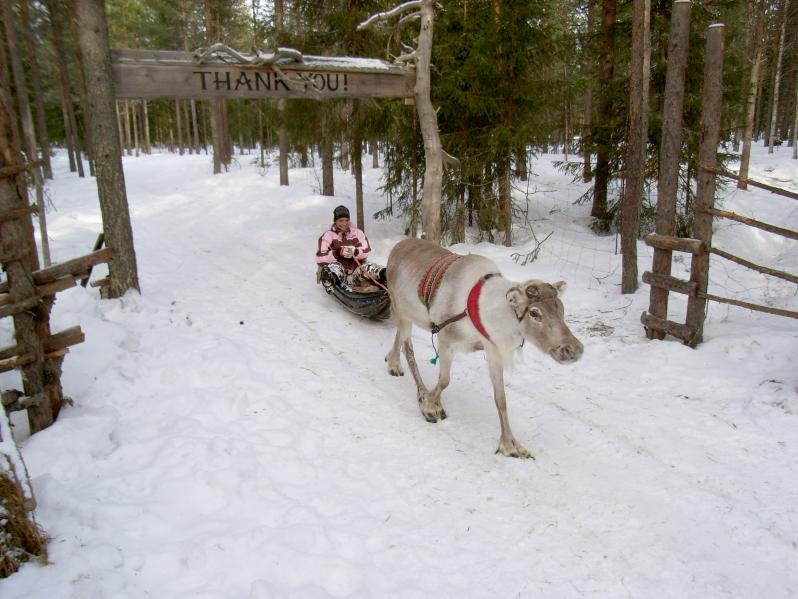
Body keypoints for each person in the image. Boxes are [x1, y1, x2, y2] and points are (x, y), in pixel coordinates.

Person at [316, 205, 384, 292]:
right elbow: (320, 258)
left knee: (369, 267)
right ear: (335, 221)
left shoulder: (358, 233)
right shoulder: (328, 236)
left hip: (356, 273)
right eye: (341, 220)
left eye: (346, 220)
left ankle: (385, 275)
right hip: (340, 274)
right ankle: (329, 280)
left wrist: (355, 252)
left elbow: (366, 250)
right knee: (334, 267)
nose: (344, 223)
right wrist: (337, 253)